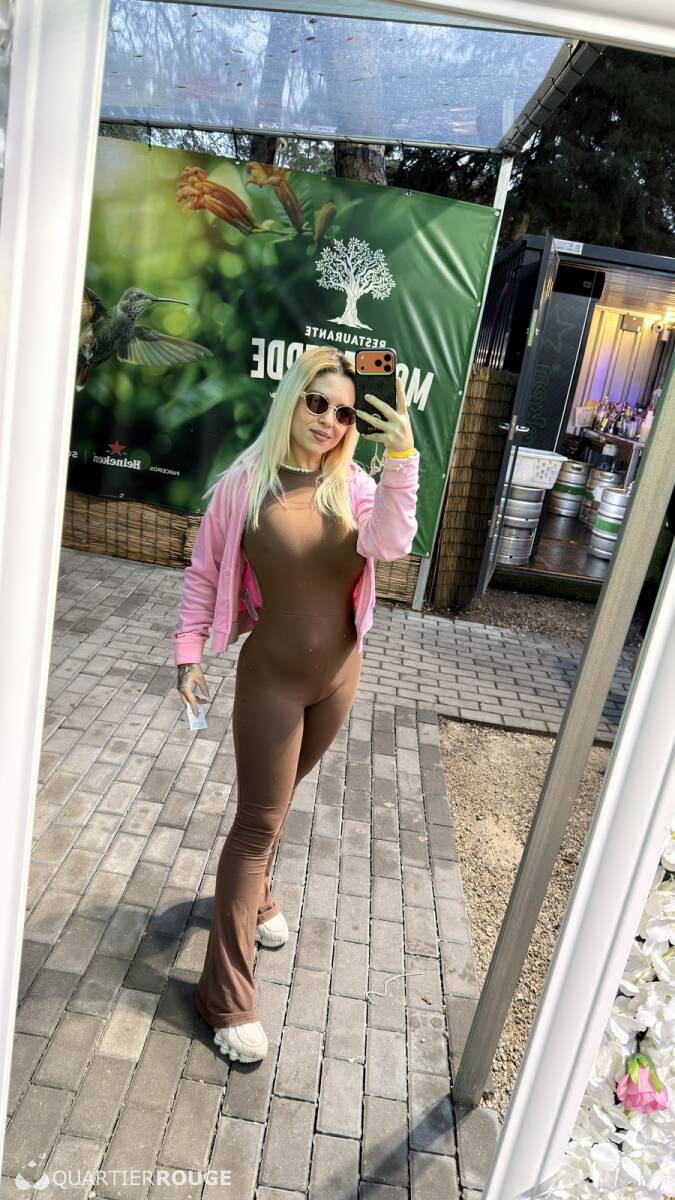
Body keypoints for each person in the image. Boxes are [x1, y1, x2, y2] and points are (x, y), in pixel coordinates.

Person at [174, 347, 420, 1063]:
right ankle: (223, 997)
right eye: (318, 403)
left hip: (339, 678)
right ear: (293, 399)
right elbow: (203, 573)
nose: (329, 421)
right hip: (272, 681)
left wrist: (401, 456)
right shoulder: (244, 486)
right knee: (256, 824)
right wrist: (189, 652)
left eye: (344, 412)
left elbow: (392, 544)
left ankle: (259, 902)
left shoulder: (358, 487)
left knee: (277, 803)